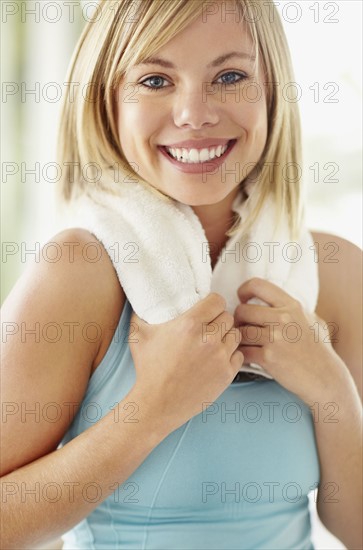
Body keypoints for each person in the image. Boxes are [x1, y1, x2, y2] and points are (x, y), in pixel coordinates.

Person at [1, 0, 362, 548]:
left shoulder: (336, 275)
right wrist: (151, 411)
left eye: (231, 75)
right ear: (108, 104)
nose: (195, 113)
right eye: (154, 79)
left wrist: (333, 389)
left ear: (271, 92)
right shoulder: (76, 273)